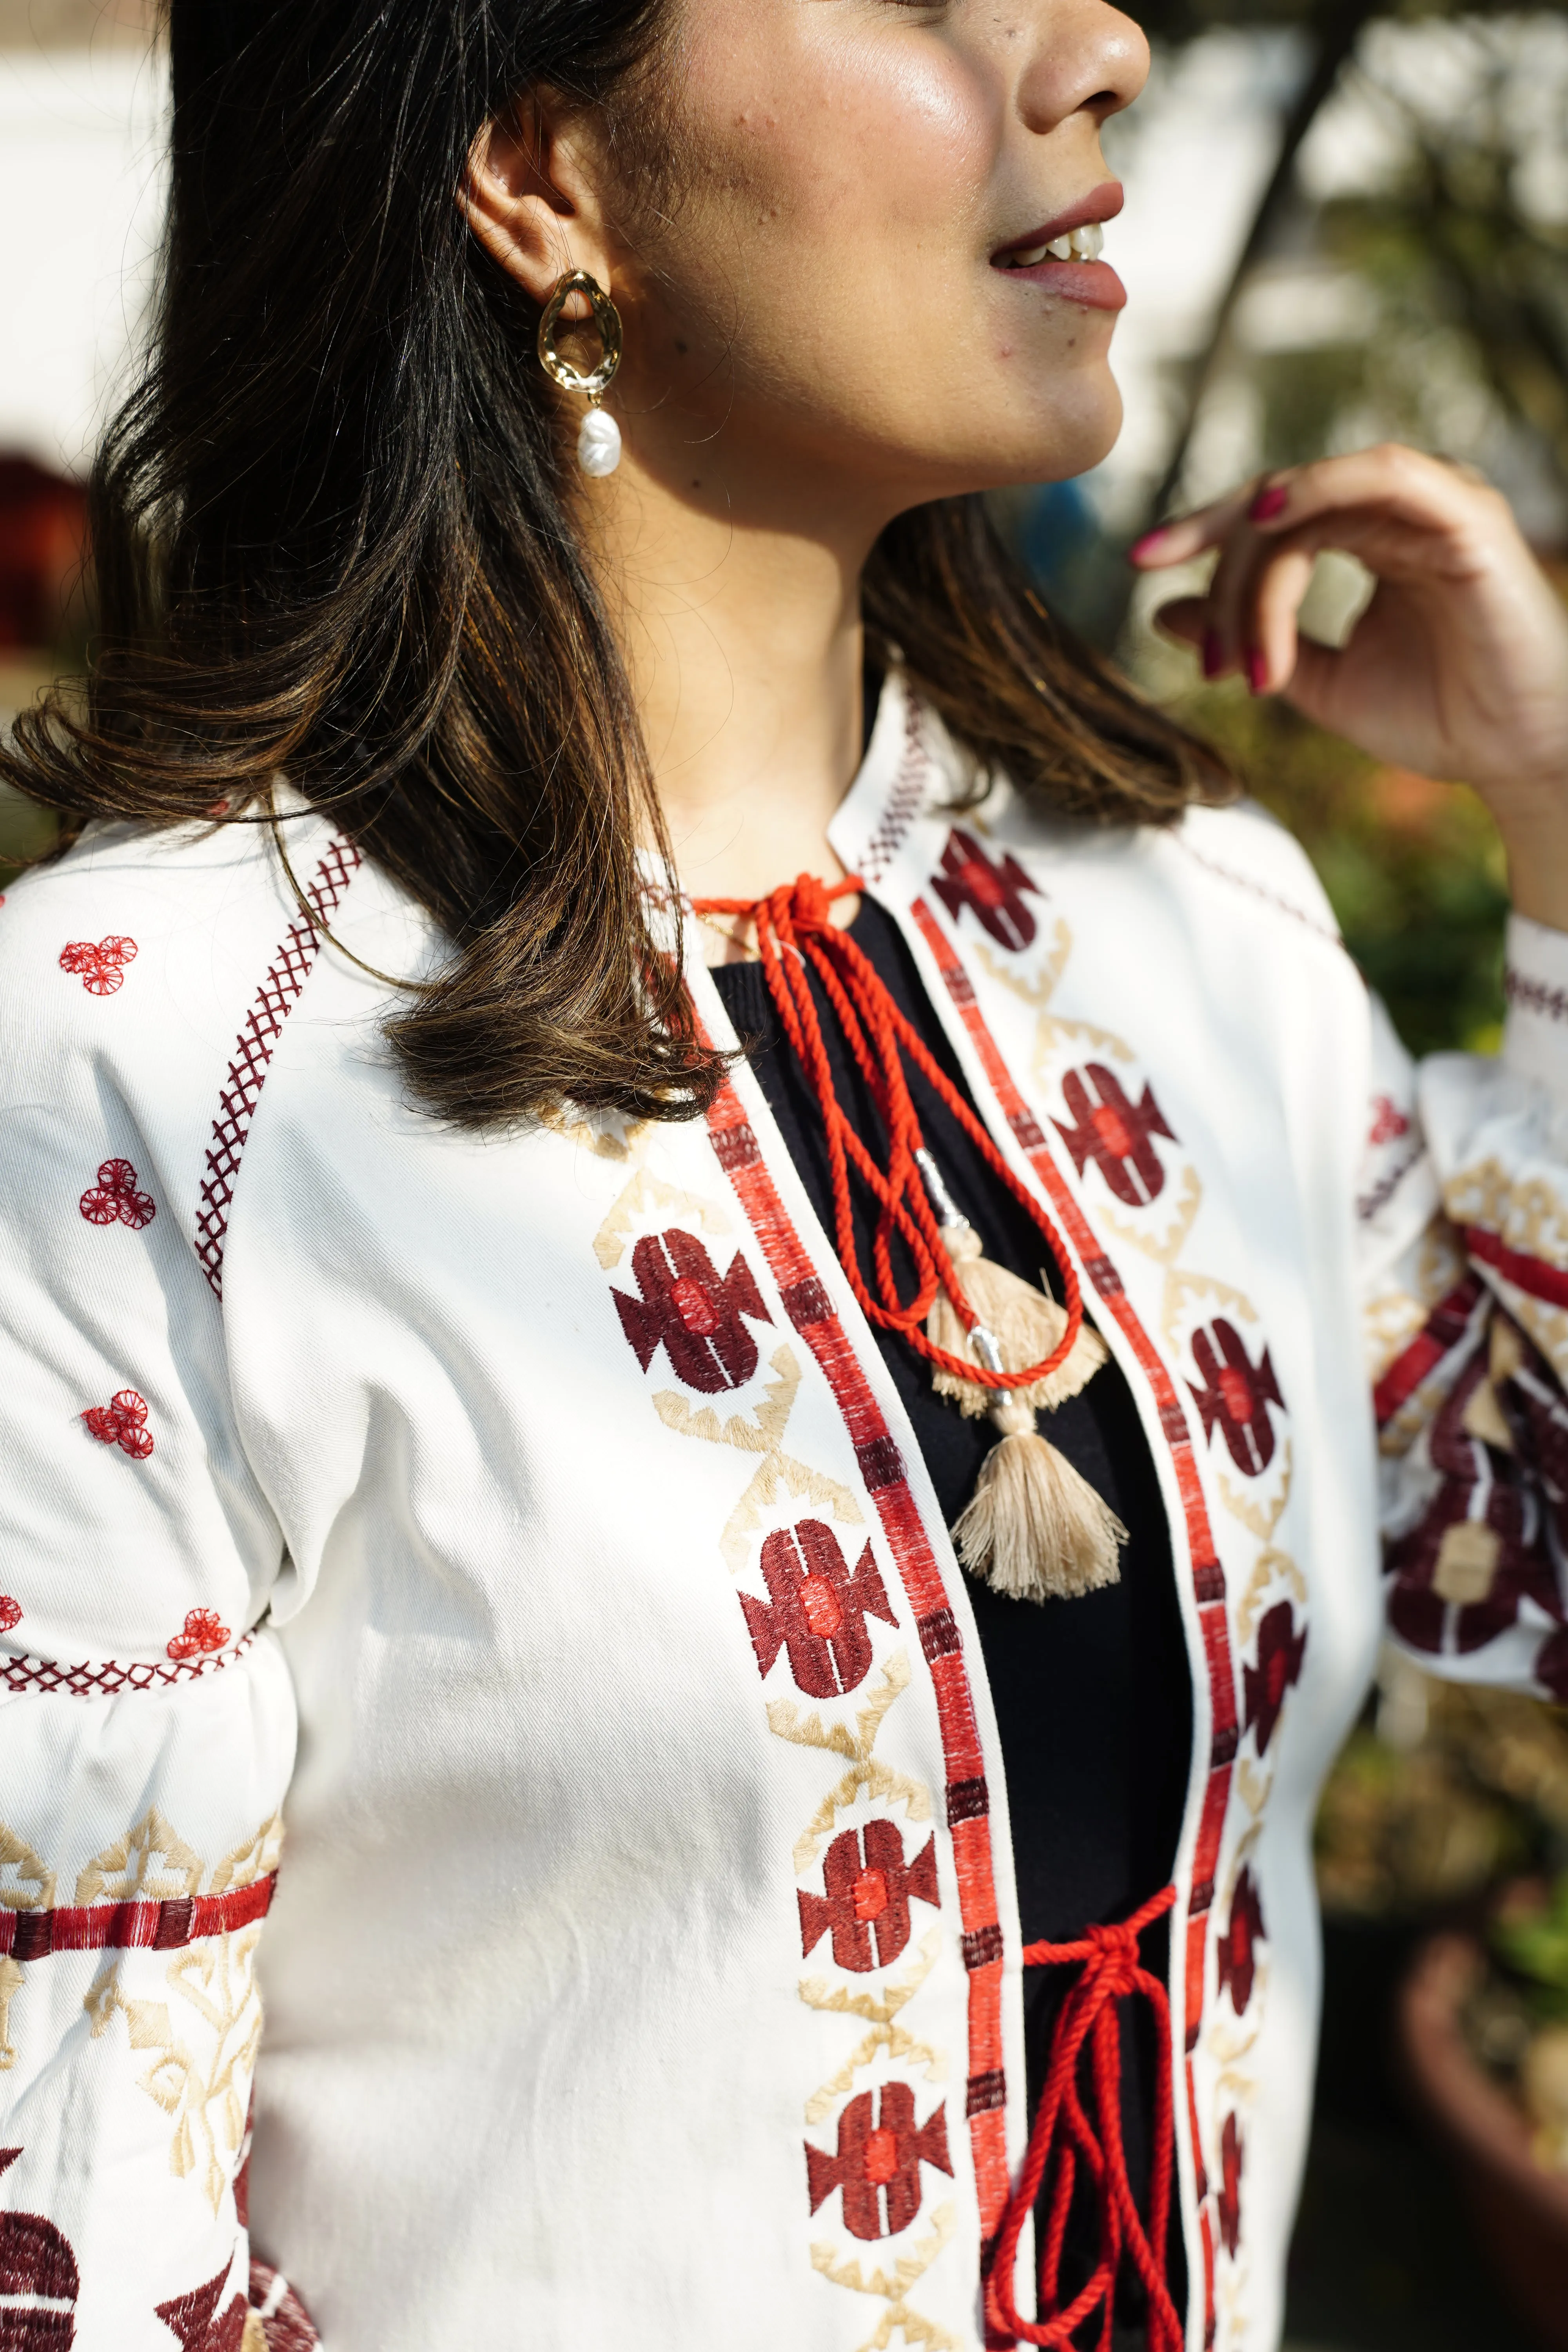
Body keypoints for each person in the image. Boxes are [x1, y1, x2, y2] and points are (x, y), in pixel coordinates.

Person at [1, 0, 1565, 2345]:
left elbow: (1522, 1549)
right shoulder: (136, 1069)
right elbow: (80, 2238)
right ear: (543, 174)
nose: (1100, 44)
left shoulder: (1198, 926)